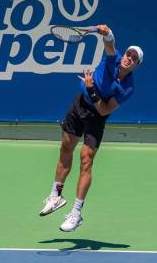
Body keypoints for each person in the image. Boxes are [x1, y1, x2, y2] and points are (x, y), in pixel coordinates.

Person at [39, 24, 144, 232]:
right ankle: (56, 195)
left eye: (133, 58)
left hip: (96, 116)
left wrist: (91, 89)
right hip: (79, 105)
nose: (128, 58)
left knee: (86, 160)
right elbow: (109, 38)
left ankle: (76, 213)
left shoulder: (128, 87)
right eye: (128, 54)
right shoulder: (113, 57)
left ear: (135, 65)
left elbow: (105, 110)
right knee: (65, 148)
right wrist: (98, 30)